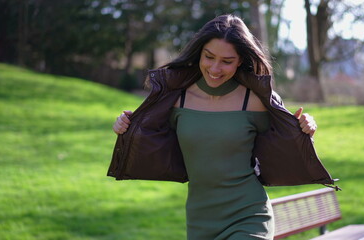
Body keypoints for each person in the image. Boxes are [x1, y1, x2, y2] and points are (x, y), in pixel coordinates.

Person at [109, 14, 336, 240]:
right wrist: (125, 126)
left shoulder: (255, 100)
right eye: (209, 57)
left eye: (227, 61)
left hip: (249, 215)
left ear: (240, 61)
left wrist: (306, 130)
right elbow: (150, 135)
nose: (215, 68)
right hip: (199, 221)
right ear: (199, 53)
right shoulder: (177, 99)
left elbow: (284, 143)